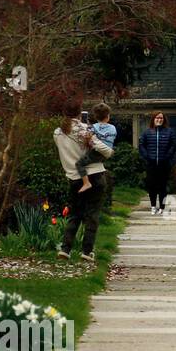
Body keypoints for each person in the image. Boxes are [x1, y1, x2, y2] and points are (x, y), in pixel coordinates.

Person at [53, 99, 112, 260]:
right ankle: (87, 251)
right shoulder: (84, 129)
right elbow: (103, 149)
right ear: (79, 112)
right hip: (95, 175)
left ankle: (65, 249)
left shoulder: (58, 132)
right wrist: (108, 152)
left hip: (73, 177)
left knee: (75, 214)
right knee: (92, 214)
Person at [138, 110, 176, 214]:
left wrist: (167, 157)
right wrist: (146, 156)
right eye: (157, 118)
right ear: (153, 119)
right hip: (151, 164)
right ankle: (153, 206)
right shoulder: (147, 132)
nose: (159, 120)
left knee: (162, 186)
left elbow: (173, 146)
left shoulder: (169, 132)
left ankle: (162, 207)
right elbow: (142, 145)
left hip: (164, 164)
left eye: (161, 118)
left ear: (163, 120)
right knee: (152, 186)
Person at [89, 103, 117, 208]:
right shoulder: (113, 128)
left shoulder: (92, 128)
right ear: (108, 116)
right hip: (106, 153)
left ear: (95, 116)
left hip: (95, 154)